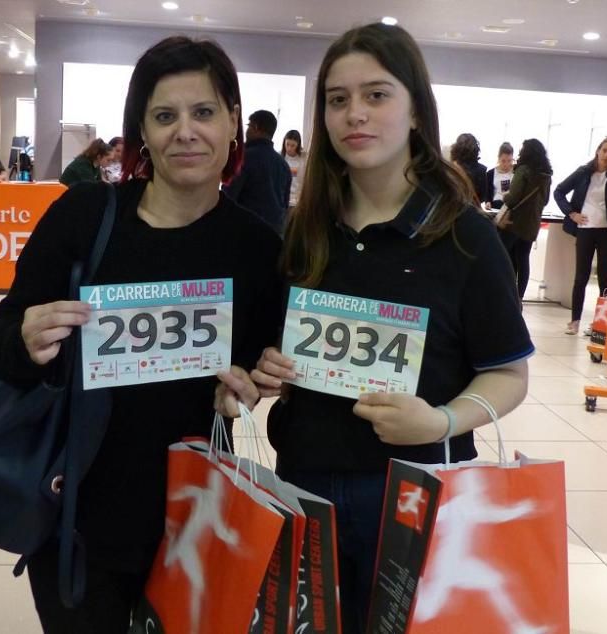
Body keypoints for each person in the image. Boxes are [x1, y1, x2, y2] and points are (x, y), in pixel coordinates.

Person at [216, 23, 532, 634]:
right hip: (305, 485)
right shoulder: (308, 228)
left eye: (377, 95)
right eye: (337, 99)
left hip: (417, 493)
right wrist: (270, 368)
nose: (354, 114)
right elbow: (278, 348)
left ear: (416, 110)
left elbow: (508, 374)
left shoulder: (465, 235)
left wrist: (439, 420)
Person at [0, 36, 282, 633]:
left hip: (194, 520)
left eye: (203, 112)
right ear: (142, 131)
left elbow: (253, 371)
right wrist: (28, 337)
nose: (186, 132)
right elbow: (4, 341)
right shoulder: (85, 216)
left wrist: (245, 388)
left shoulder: (257, 248)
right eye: (164, 116)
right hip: (78, 517)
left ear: (232, 123)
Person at [553, 136, 607, 335]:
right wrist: (571, 213)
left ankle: (600, 325)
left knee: (604, 278)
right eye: (605, 151)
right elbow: (559, 191)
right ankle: (574, 321)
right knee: (581, 277)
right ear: (598, 151)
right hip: (585, 230)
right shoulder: (583, 172)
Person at [498, 138, 552, 300]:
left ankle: (506, 295)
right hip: (532, 223)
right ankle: (519, 298)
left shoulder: (523, 170)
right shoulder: (546, 175)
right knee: (523, 259)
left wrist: (506, 197)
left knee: (505, 258)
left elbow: (513, 197)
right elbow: (546, 200)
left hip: (515, 222)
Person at [222, 109, 292, 234]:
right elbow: (285, 205)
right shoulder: (283, 165)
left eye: (248, 126)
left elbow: (228, 197)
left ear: (256, 127)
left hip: (245, 232)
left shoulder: (243, 158)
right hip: (274, 234)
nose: (246, 131)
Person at [450, 132, 489, 203]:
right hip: (472, 211)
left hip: (453, 210)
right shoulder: (482, 170)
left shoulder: (451, 168)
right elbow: (483, 197)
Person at [281, 129, 306, 211]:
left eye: (293, 145)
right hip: (283, 200)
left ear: (298, 145)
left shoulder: (303, 158)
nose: (289, 148)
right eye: (287, 144)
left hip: (298, 201)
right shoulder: (280, 158)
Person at [484, 142, 514, 209]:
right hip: (496, 205)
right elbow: (487, 194)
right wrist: (488, 202)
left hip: (512, 206)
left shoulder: (516, 172)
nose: (506, 164)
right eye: (503, 161)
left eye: (509, 161)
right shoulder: (490, 173)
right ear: (498, 158)